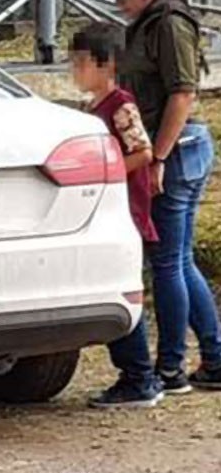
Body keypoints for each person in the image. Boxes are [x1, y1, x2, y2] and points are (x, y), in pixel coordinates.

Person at [103, 0, 221, 393]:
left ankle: (170, 367)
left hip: (177, 150)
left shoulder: (169, 24)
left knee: (167, 262)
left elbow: (182, 94)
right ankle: (214, 358)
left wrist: (158, 159)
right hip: (177, 149)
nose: (120, 2)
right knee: (179, 260)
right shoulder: (149, 23)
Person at [69, 22, 164, 408]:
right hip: (107, 211)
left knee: (120, 291)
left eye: (81, 63)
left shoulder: (121, 105)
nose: (75, 71)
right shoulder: (94, 109)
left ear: (105, 64)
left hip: (124, 212)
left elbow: (142, 152)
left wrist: (106, 172)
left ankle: (138, 375)